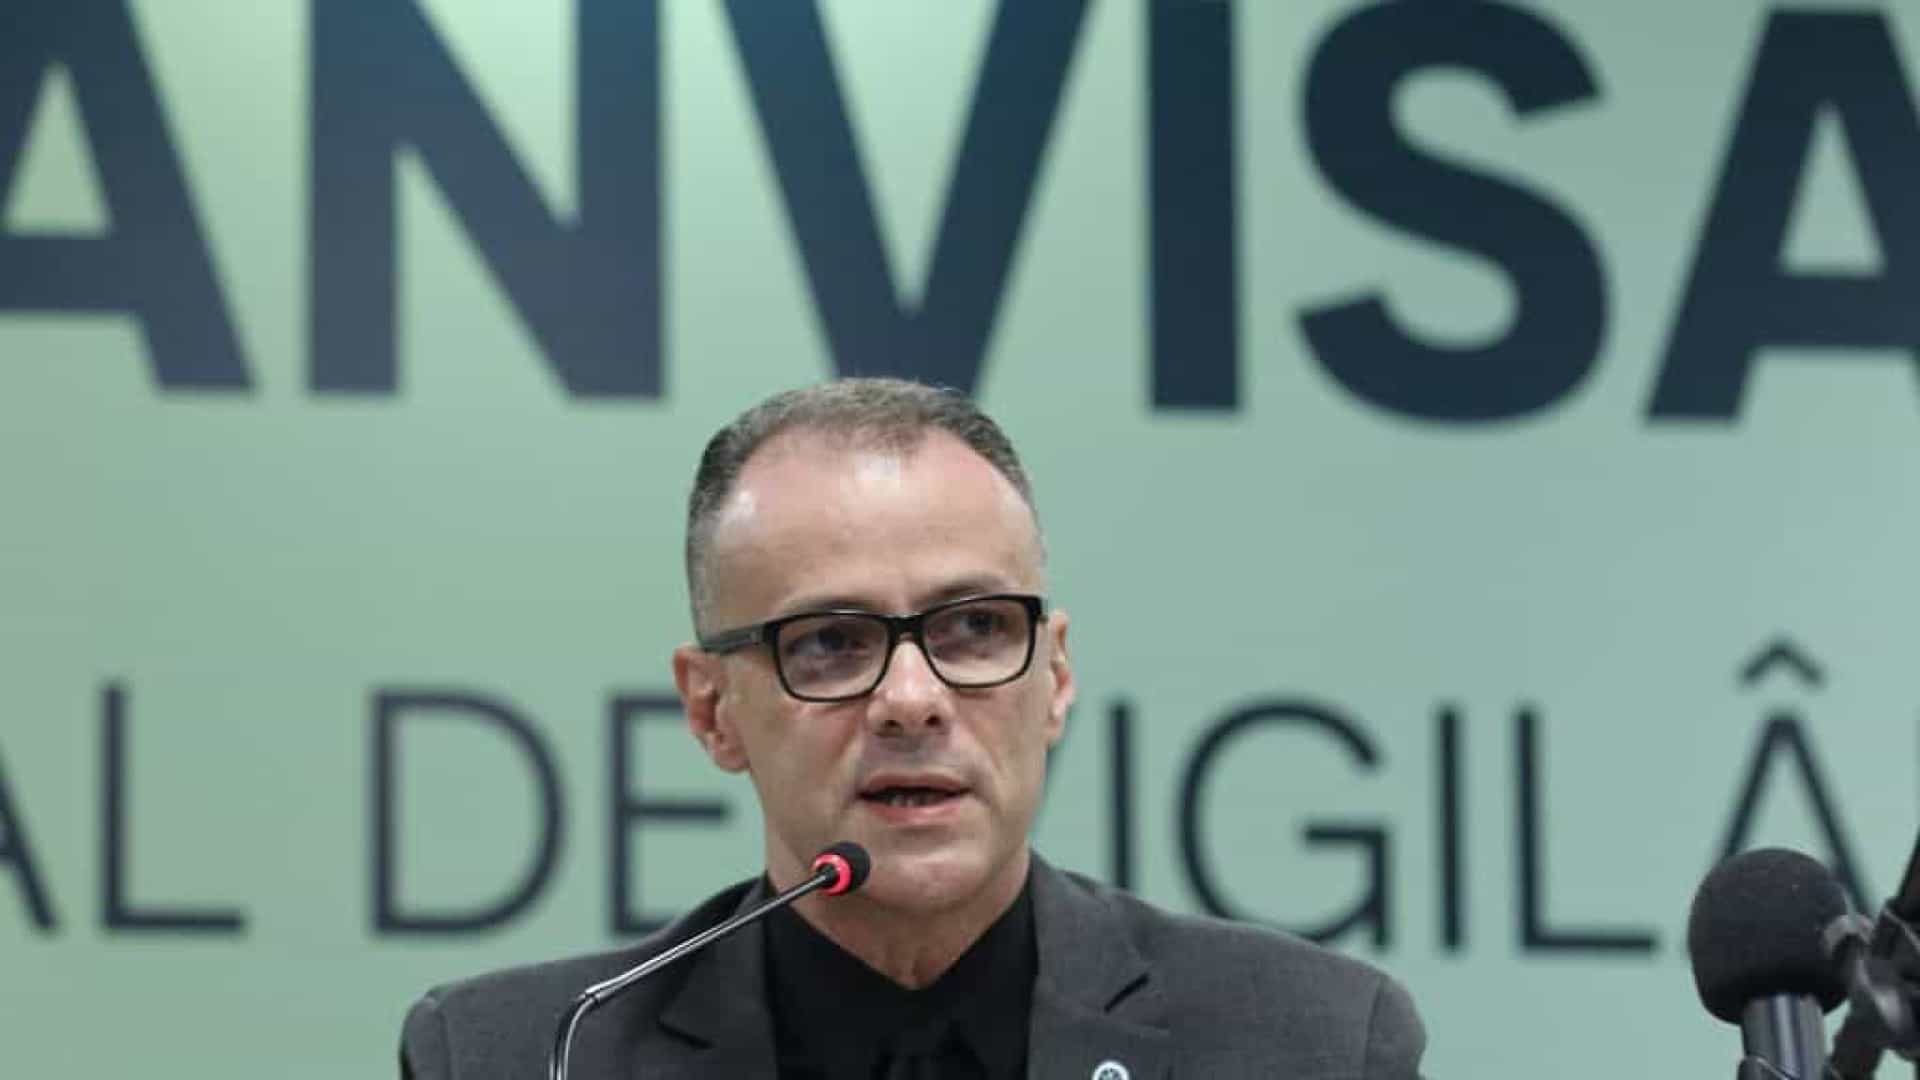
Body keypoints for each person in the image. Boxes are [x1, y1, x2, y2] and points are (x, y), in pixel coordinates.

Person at [399, 378, 1427, 1079]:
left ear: (1056, 676)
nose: (910, 698)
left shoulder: (1312, 1046)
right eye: (829, 643)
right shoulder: (522, 1055)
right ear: (713, 710)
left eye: (974, 628)